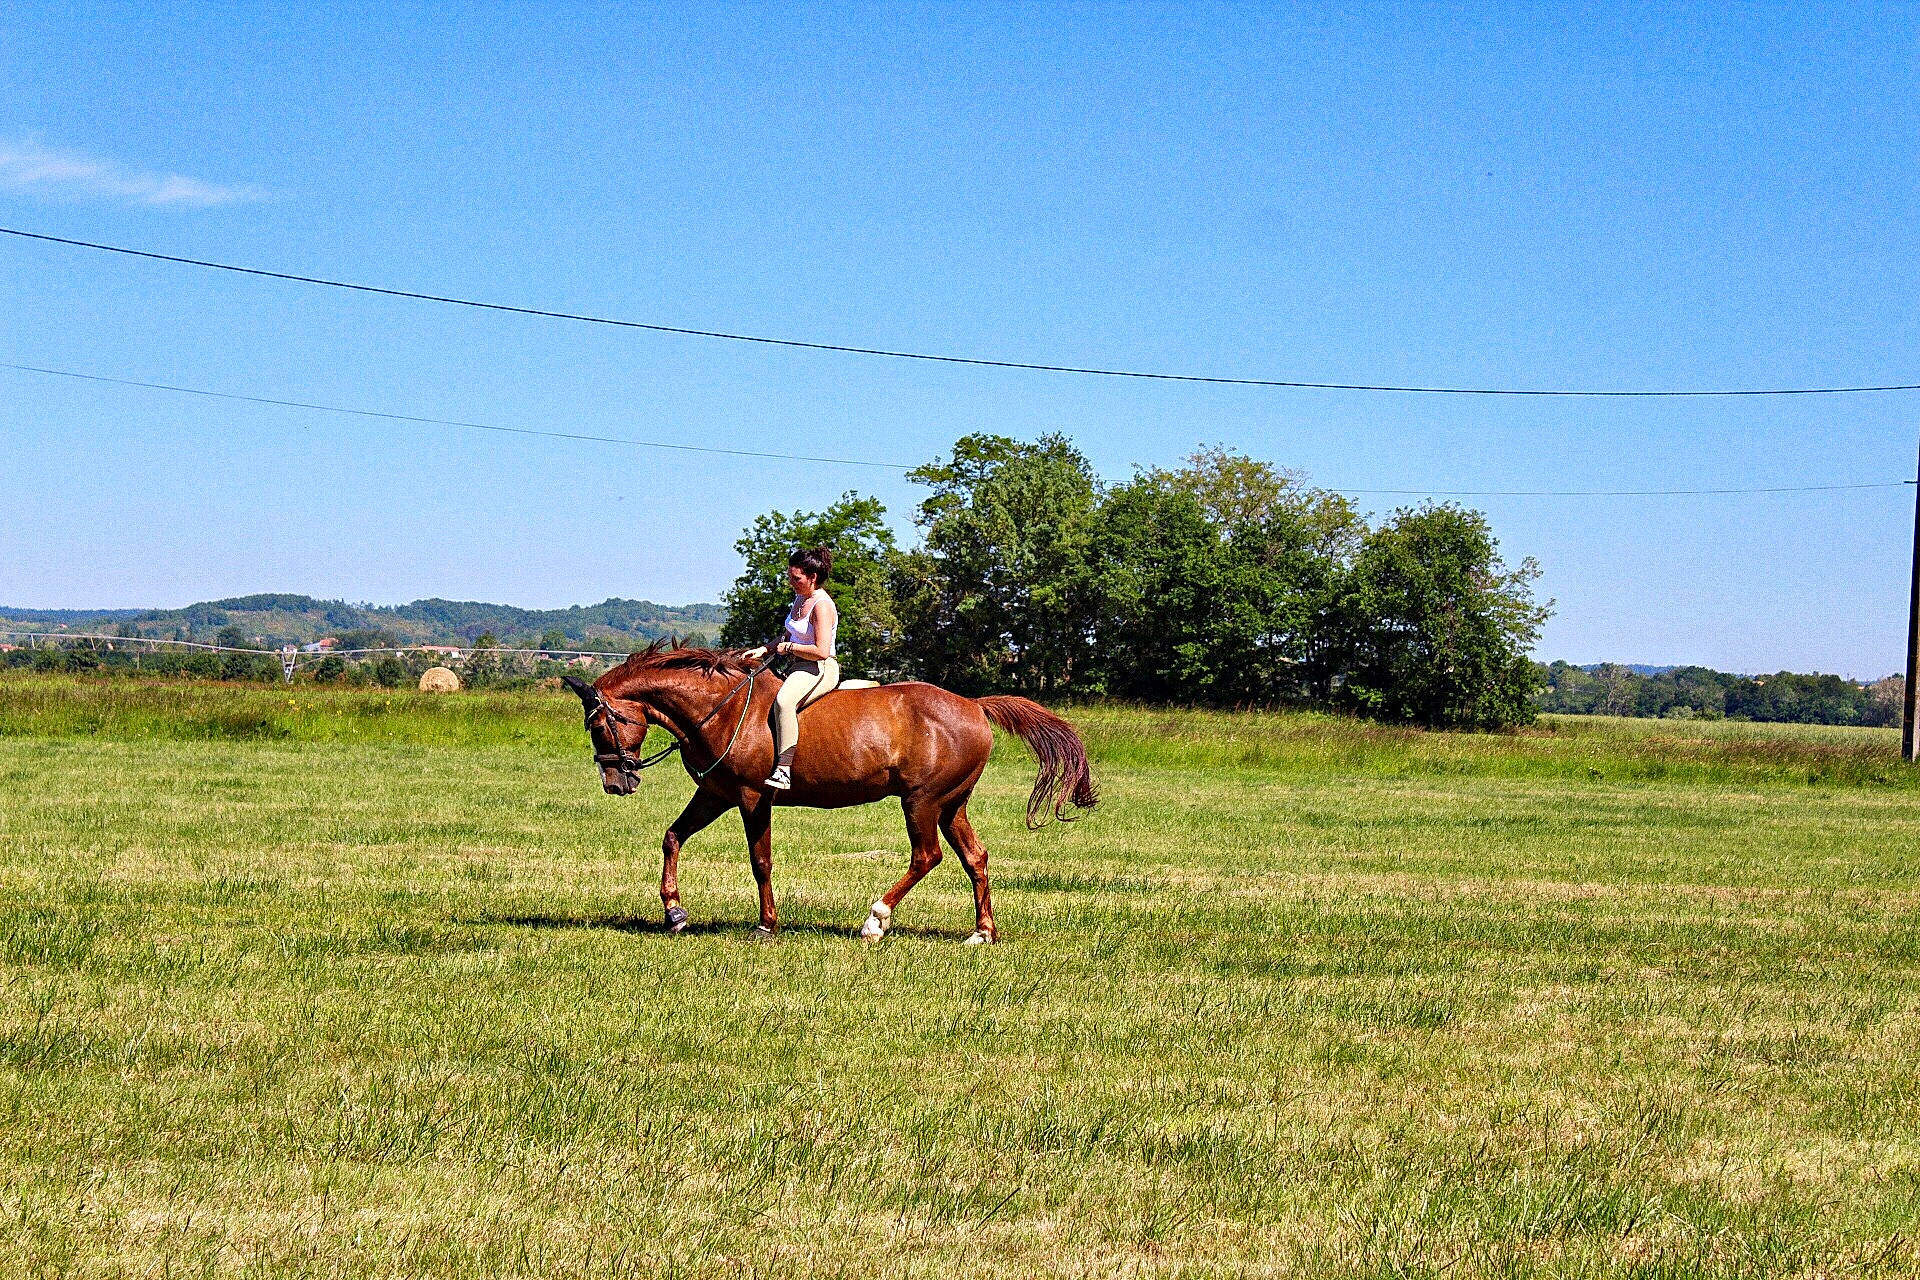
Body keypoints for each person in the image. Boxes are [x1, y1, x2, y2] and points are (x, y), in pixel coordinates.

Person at [742, 546, 839, 790]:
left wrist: (789, 648)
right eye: (790, 577)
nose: (791, 583)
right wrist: (764, 649)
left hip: (820, 667)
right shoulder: (800, 599)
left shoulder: (821, 605)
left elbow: (821, 650)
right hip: (798, 665)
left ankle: (784, 770)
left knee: (784, 701)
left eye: (796, 578)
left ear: (812, 578)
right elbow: (788, 634)